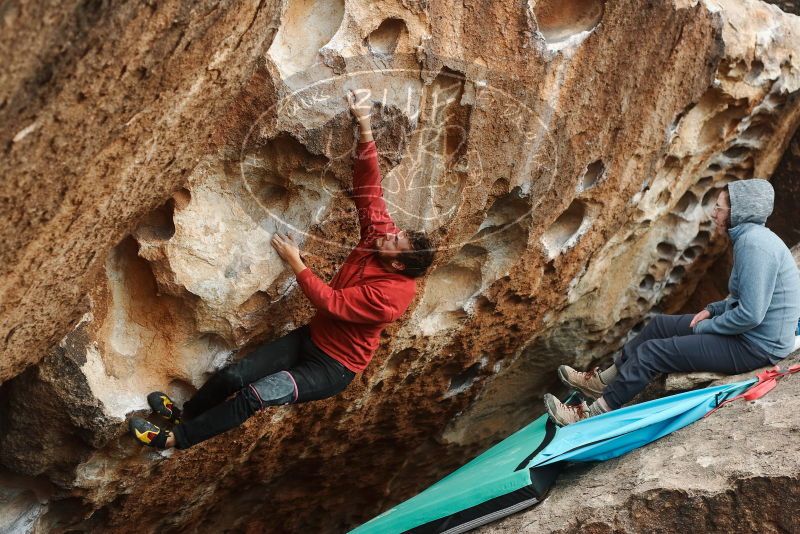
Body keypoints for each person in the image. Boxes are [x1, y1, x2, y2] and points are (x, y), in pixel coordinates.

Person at [128, 89, 435, 449]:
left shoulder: (391, 297)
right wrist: (364, 125)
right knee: (235, 376)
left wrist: (296, 263)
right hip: (311, 338)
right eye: (395, 233)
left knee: (254, 396)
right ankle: (185, 414)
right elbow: (370, 191)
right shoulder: (379, 241)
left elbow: (332, 302)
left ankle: (174, 439)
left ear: (398, 263)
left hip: (331, 369)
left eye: (396, 240)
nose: (390, 233)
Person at [544, 179, 800, 426]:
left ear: (738, 213)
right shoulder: (751, 239)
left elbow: (751, 315)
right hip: (751, 336)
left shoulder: (755, 246)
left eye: (719, 208)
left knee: (653, 353)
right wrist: (712, 310)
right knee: (660, 326)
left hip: (757, 347)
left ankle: (593, 414)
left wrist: (706, 327)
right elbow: (741, 298)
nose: (713, 214)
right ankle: (603, 381)